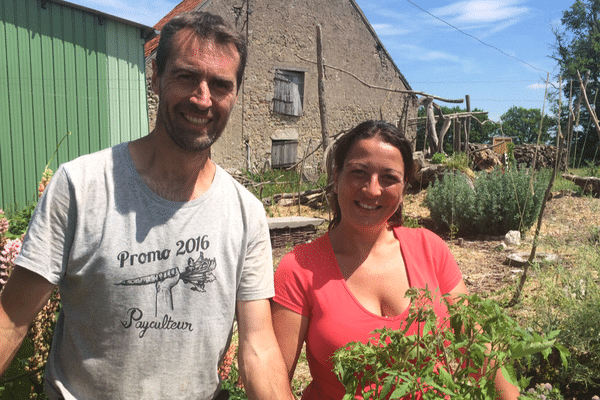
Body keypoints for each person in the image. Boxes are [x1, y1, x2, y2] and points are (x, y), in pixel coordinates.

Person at [0, 11, 294, 400]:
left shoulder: (246, 213)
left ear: (235, 94)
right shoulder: (82, 186)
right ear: (156, 76)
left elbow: (258, 347)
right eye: (187, 76)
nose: (202, 99)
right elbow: (11, 320)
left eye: (220, 85)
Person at [271, 120, 520, 400]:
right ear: (336, 175)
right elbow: (273, 383)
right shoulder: (299, 268)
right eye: (358, 172)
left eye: (389, 178)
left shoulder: (429, 248)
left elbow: (478, 347)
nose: (373, 189)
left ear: (404, 186)